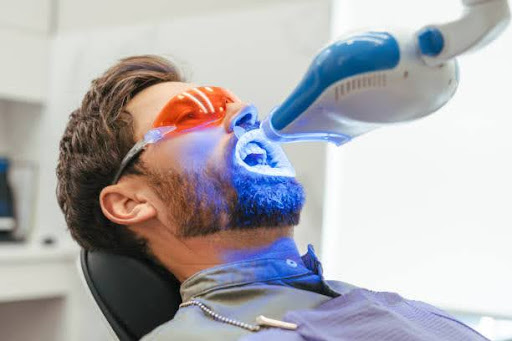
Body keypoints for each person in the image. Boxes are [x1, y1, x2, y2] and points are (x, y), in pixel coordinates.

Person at [56, 55, 488, 340]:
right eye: (194, 113)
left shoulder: (383, 305)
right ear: (130, 203)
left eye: (237, 105)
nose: (245, 115)